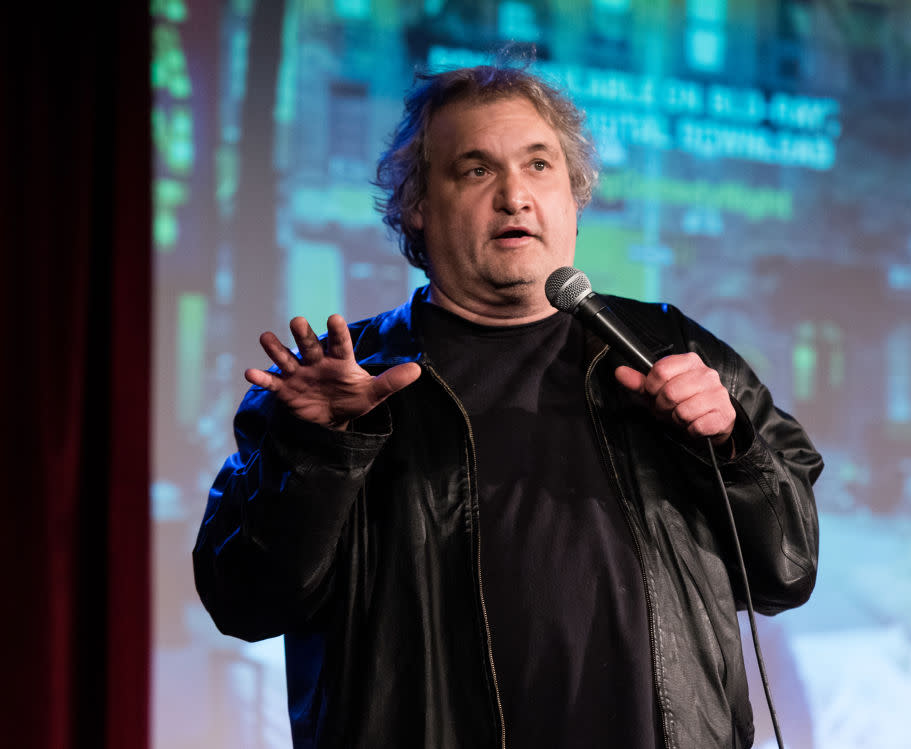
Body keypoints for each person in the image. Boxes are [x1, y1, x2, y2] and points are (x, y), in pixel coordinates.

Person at [193, 64, 822, 749]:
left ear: (573, 197)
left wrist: (732, 446)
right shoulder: (336, 386)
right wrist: (319, 454)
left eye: (539, 166)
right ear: (417, 206)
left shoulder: (672, 353)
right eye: (474, 171)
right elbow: (245, 602)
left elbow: (786, 570)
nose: (515, 195)